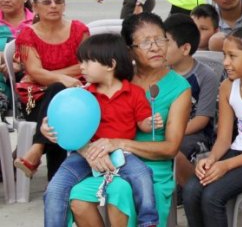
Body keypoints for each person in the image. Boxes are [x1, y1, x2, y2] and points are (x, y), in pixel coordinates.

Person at [68, 13, 192, 227]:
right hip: (108, 160)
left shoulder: (179, 87)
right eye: (145, 42)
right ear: (129, 50)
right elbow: (80, 120)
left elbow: (171, 148)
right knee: (76, 199)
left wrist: (119, 143)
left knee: (127, 193)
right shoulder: (114, 78)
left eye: (160, 39)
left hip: (152, 166)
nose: (155, 47)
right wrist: (84, 147)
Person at [41, 33, 158, 227]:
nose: (81, 66)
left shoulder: (134, 93)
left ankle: (148, 222)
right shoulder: (83, 95)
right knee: (55, 189)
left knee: (143, 175)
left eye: (87, 61)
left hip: (122, 153)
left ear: (110, 65)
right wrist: (48, 127)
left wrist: (151, 122)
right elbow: (64, 121)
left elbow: (142, 123)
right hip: (85, 154)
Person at [183, 26, 242, 227]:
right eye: (224, 55)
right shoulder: (227, 87)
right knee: (191, 191)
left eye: (232, 56)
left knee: (212, 196)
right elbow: (224, 138)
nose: (225, 63)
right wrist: (212, 159)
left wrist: (226, 165)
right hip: (235, 151)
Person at [13, 0, 89, 180]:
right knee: (58, 100)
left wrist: (51, 75)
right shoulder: (28, 34)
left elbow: (88, 65)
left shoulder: (79, 30)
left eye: (58, 1)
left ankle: (36, 149)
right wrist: (64, 77)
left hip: (75, 97)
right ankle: (56, 180)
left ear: (64, 5)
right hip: (32, 99)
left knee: (57, 95)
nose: (53, 6)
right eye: (46, 2)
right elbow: (35, 73)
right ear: (35, 6)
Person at [163, 14, 219, 187]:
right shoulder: (161, 72)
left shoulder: (205, 76)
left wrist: (172, 133)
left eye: (166, 42)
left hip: (195, 135)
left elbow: (202, 119)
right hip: (164, 130)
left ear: (185, 48)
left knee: (175, 150)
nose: (159, 48)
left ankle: (189, 191)